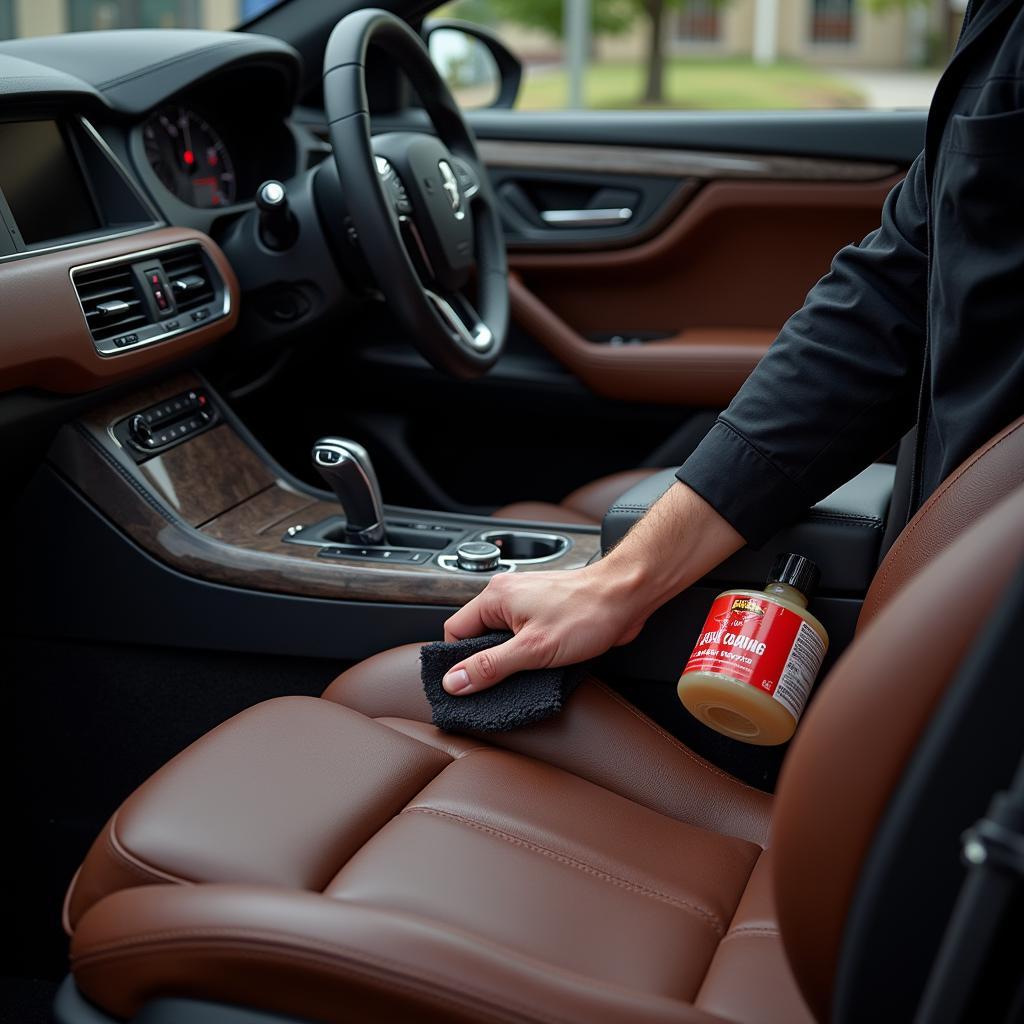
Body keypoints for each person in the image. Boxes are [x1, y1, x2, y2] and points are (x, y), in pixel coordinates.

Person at [440, 0, 1024, 697]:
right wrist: (621, 582)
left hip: (981, 661)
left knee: (389, 693)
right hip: (939, 606)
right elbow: (899, 290)